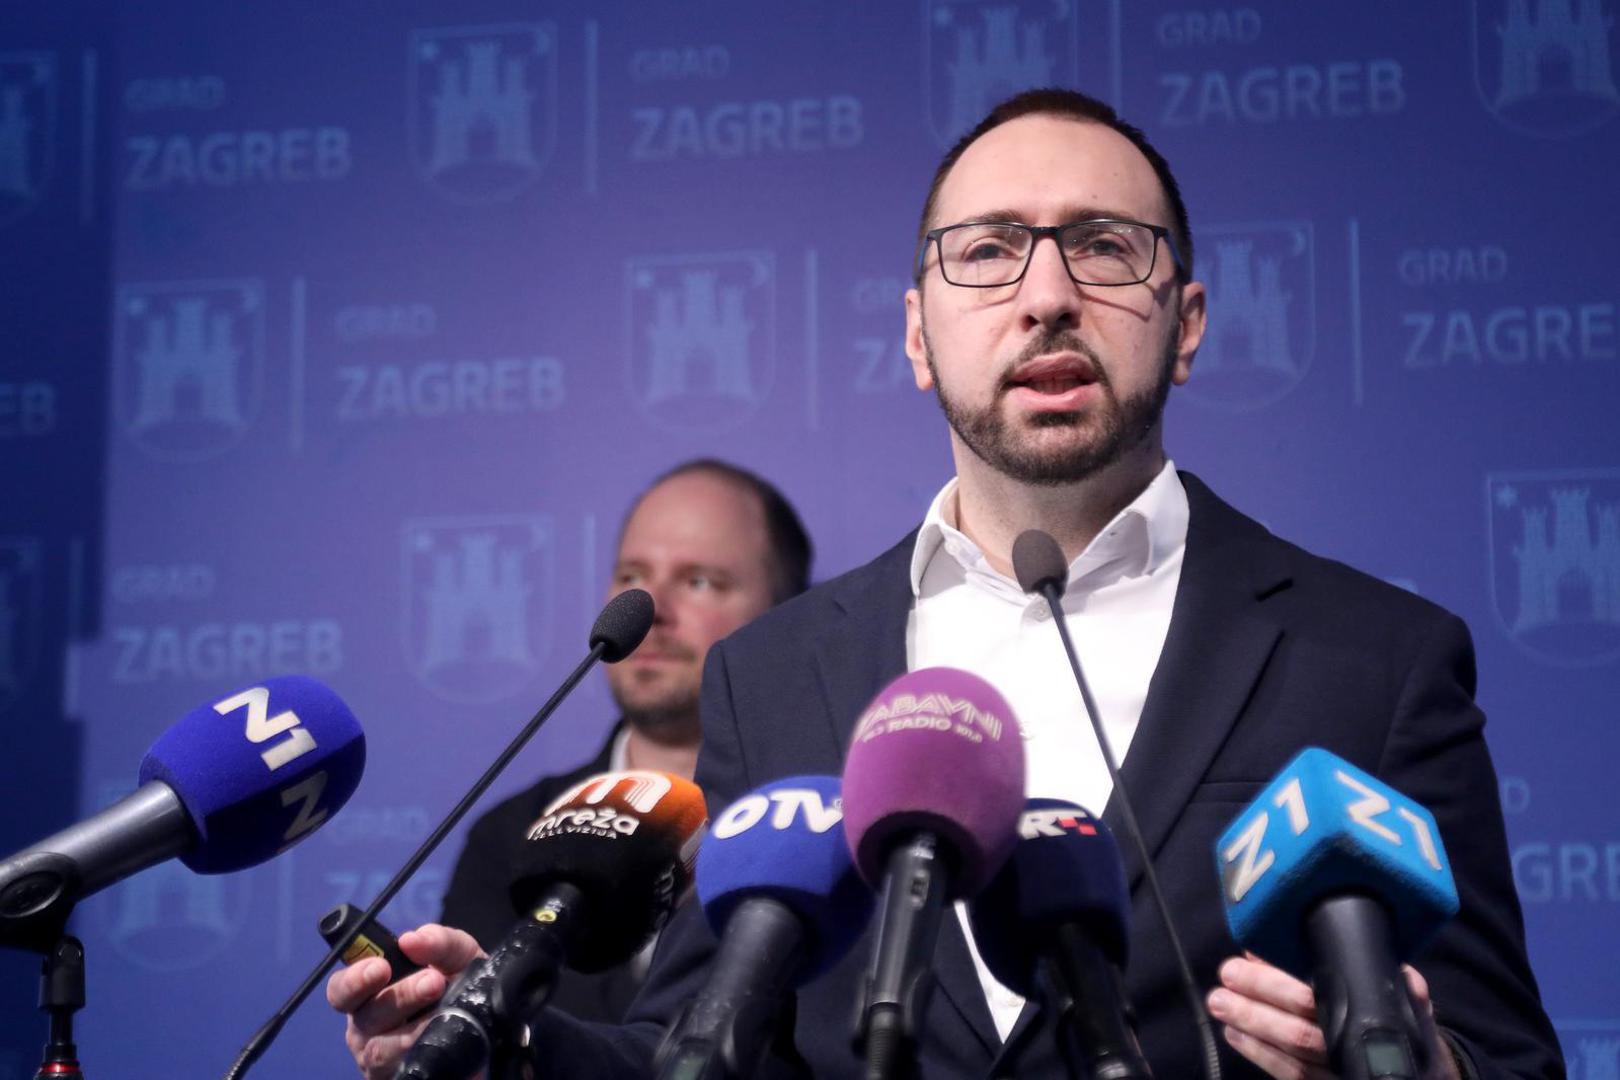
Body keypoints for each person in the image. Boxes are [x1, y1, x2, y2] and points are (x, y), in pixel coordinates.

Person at [330, 90, 1563, 1079]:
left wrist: (1423, 1065)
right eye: (988, 252)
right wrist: (506, 1043)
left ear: (1185, 322)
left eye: (1104, 246)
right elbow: (704, 1046)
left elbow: (1506, 1054)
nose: (1048, 297)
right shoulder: (777, 671)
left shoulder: (1376, 658)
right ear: (919, 335)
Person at [330, 459, 810, 1069]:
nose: (654, 608)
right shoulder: (514, 835)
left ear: (788, 613)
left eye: (700, 582)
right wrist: (436, 1040)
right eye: (632, 575)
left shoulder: (818, 832)